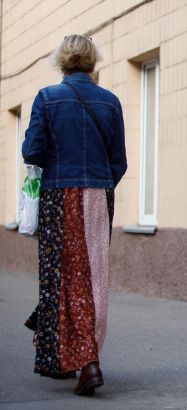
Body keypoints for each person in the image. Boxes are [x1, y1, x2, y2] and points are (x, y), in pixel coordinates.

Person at [22, 34, 127, 396]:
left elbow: (32, 150)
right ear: (92, 62)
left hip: (60, 195)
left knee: (65, 276)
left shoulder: (47, 98)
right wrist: (98, 184)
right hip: (99, 194)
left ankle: (86, 361)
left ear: (61, 61)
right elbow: (119, 161)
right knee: (93, 276)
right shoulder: (110, 101)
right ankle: (76, 353)